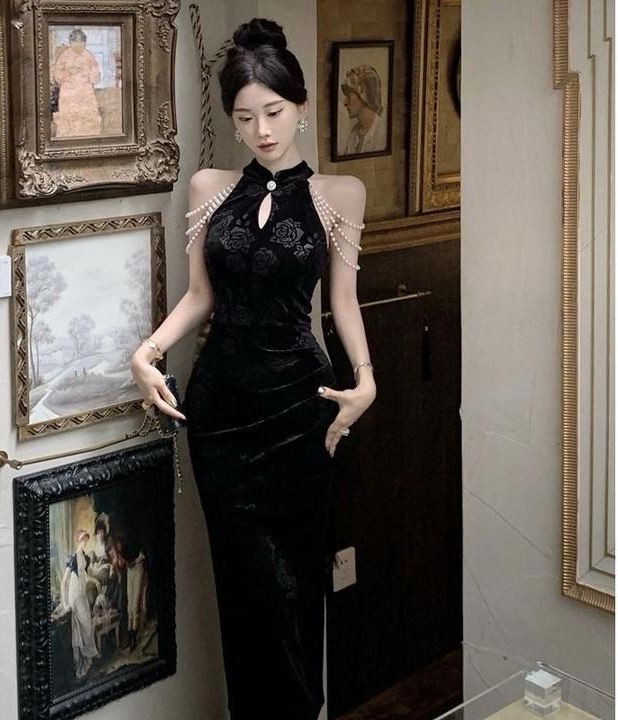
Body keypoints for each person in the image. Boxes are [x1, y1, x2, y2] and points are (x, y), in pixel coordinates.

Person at [130, 17, 376, 720]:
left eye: (273, 111)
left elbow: (342, 302)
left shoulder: (341, 194)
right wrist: (146, 352)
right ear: (232, 121)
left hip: (302, 413)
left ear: (301, 105)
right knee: (245, 592)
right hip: (222, 419)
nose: (262, 130)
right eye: (245, 118)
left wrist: (366, 380)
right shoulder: (208, 187)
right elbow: (200, 296)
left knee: (295, 586)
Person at [60, 529, 99, 679]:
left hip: (82, 593)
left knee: (87, 625)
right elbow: (64, 582)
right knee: (81, 626)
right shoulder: (73, 558)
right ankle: (82, 661)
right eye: (83, 540)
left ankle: (88, 658)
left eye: (86, 540)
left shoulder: (85, 557)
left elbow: (86, 576)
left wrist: (95, 580)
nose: (85, 542)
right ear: (79, 541)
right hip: (74, 594)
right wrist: (65, 603)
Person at [52, 28, 102, 138]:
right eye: (76, 45)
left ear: (85, 44)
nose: (79, 48)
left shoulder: (88, 56)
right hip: (69, 90)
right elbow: (57, 73)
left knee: (87, 115)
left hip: (85, 90)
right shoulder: (64, 56)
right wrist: (67, 76)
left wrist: (89, 77)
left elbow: (95, 73)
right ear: (70, 43)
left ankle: (87, 136)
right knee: (69, 116)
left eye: (81, 45)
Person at [341, 63, 387, 154]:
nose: (345, 103)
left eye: (349, 96)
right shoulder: (355, 133)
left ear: (363, 97)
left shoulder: (381, 132)